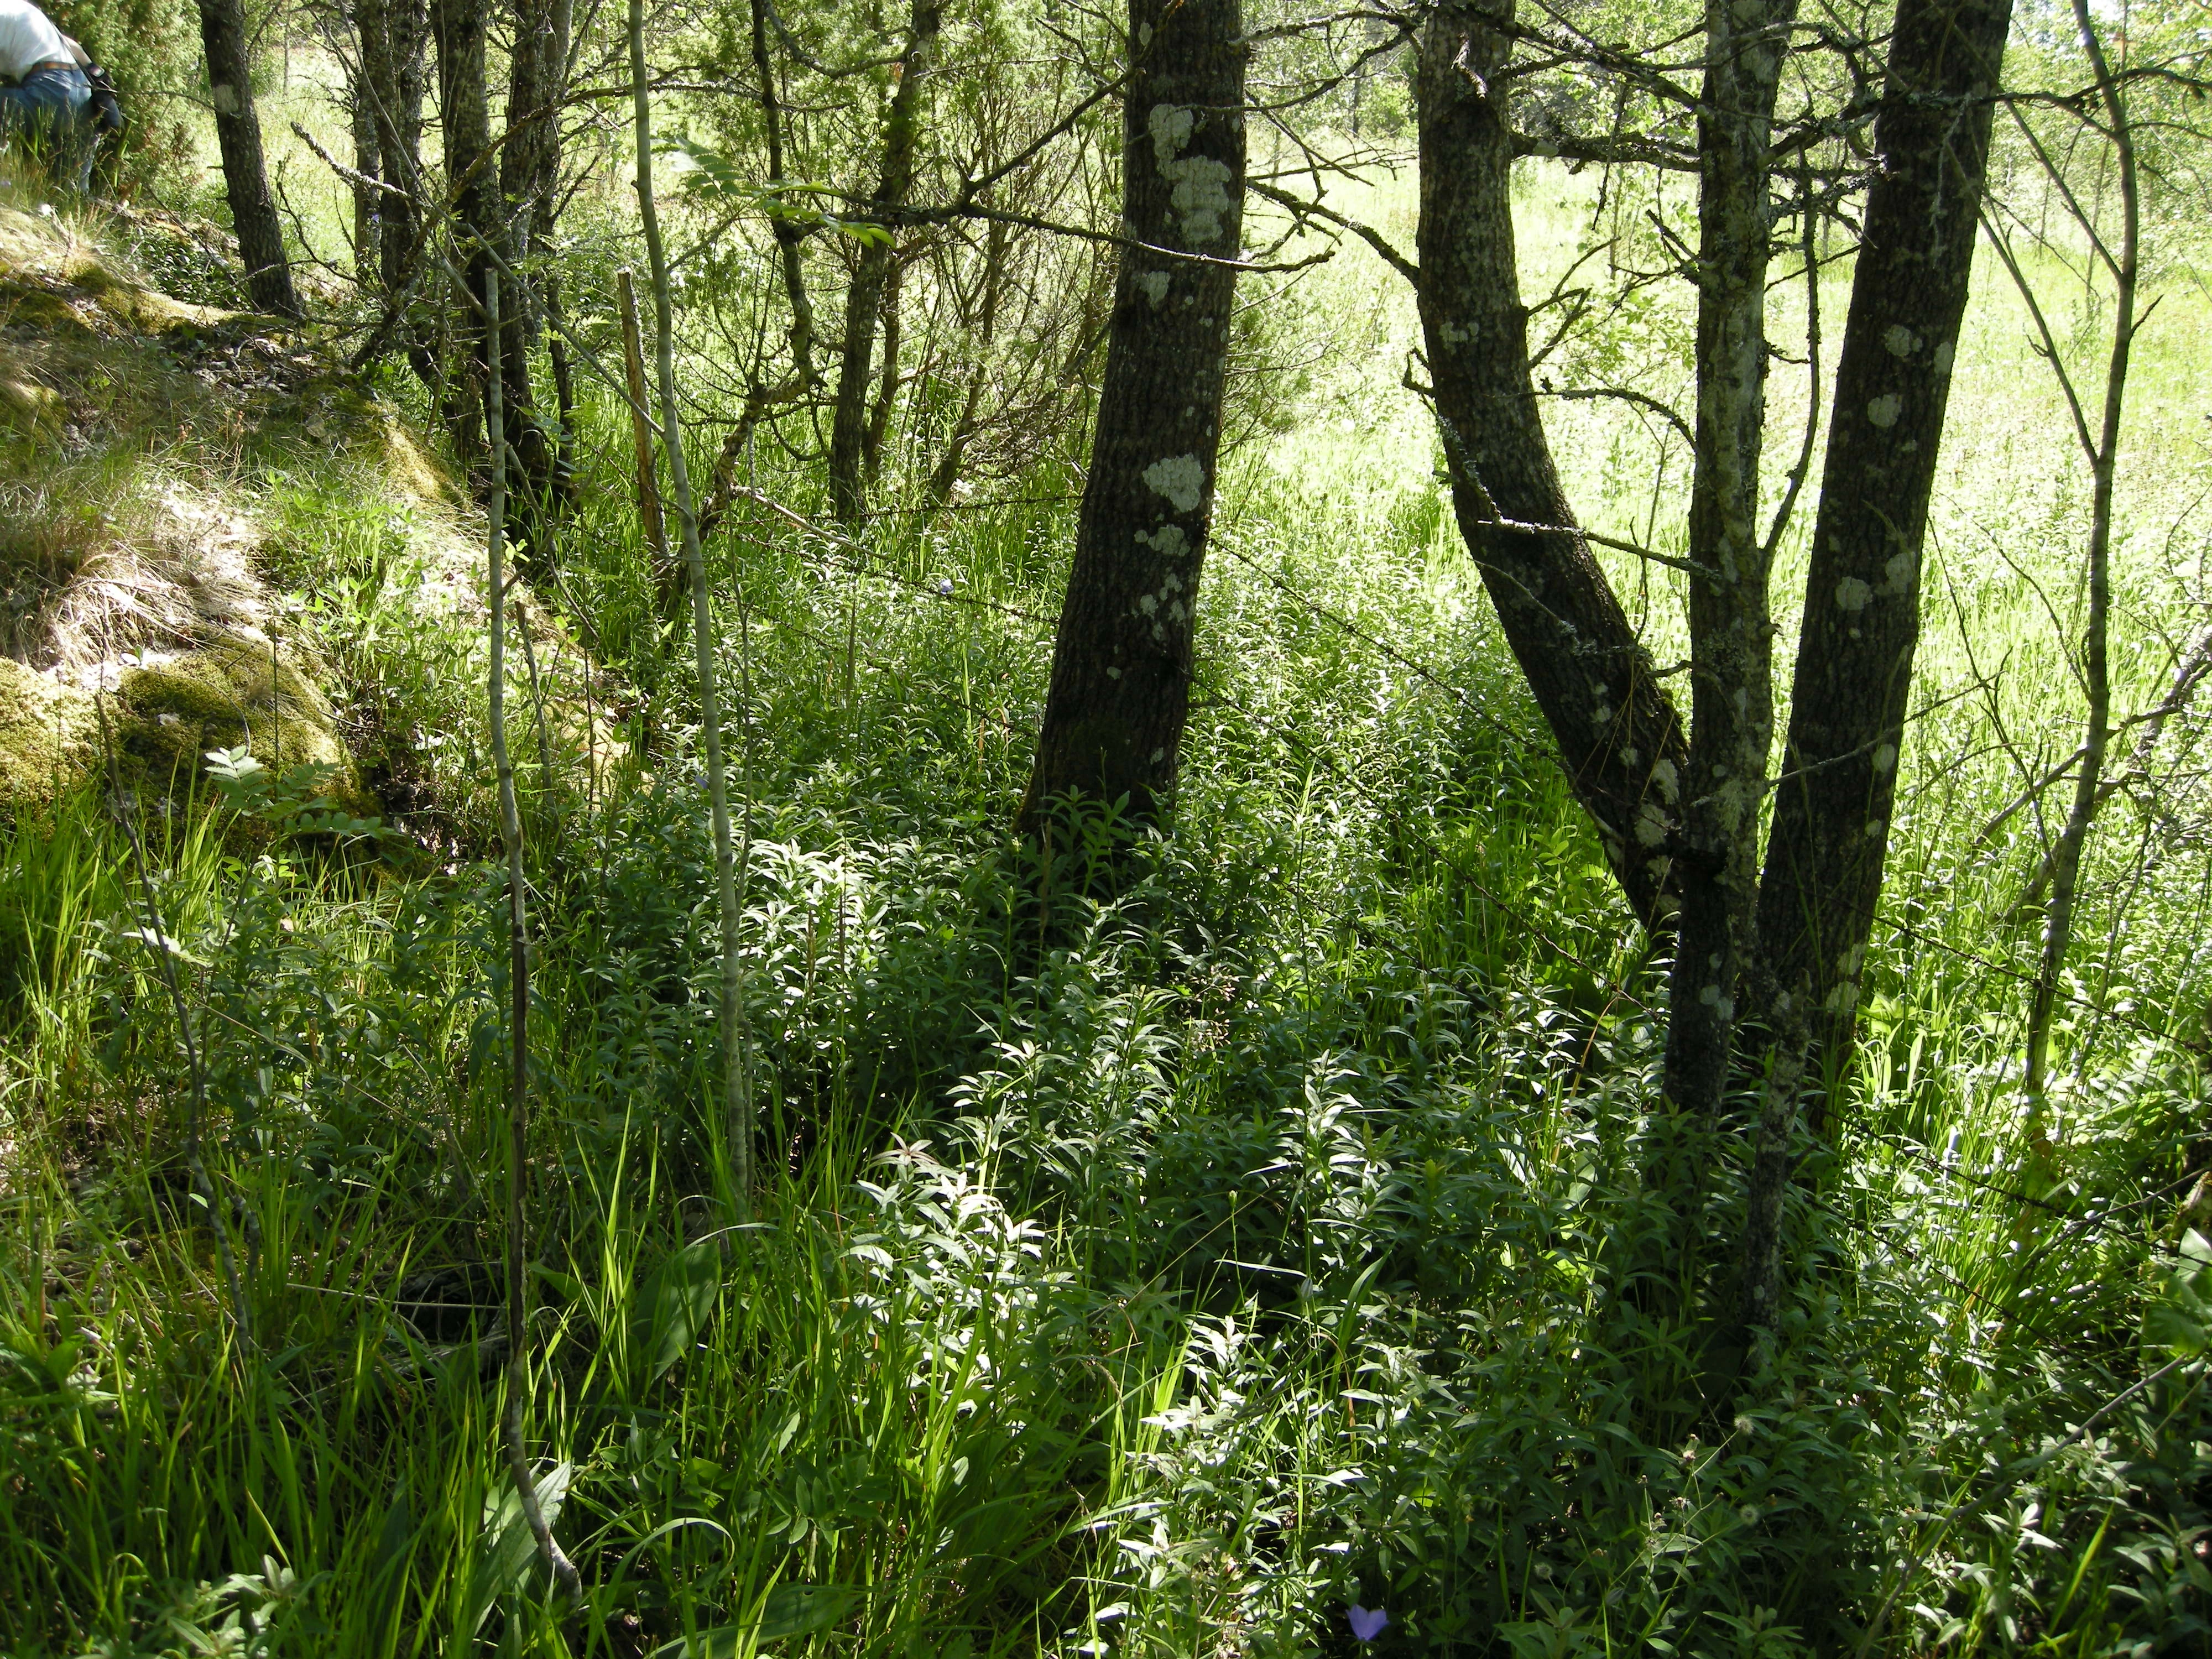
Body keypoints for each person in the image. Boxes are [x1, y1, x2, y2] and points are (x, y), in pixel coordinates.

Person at [0, 0, 98, 192]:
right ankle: (73, 196)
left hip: (52, 89)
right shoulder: (20, 9)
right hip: (82, 90)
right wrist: (99, 73)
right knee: (65, 191)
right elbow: (68, 43)